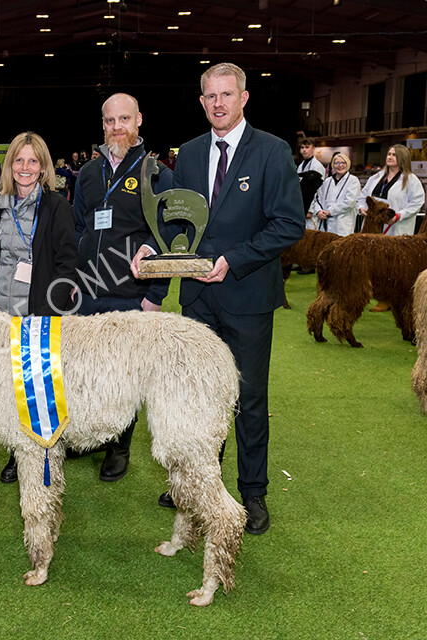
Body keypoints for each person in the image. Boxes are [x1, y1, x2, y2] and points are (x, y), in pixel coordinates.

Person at [131, 63, 304, 535]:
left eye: (227, 95)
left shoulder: (272, 151)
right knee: (197, 397)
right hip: (198, 302)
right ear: (201, 100)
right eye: (210, 96)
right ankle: (196, 486)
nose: (219, 103)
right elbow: (179, 222)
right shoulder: (186, 154)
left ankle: (253, 492)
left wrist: (235, 258)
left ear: (244, 98)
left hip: (247, 296)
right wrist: (154, 247)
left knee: (248, 398)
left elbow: (289, 224)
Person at [73, 92, 173, 482]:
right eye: (110, 120)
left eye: (124, 119)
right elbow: (81, 227)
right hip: (87, 290)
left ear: (139, 121)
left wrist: (155, 294)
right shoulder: (86, 173)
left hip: (131, 292)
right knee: (90, 370)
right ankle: (96, 436)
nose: (117, 127)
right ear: (102, 124)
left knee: (125, 377)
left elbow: (168, 236)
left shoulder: (157, 173)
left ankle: (119, 446)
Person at [0, 131, 78, 483]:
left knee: (37, 388)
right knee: (9, 388)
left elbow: (68, 260)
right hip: (1, 309)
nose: (25, 167)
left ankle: (42, 452)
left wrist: (50, 309)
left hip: (38, 311)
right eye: (19, 160)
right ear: (10, 164)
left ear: (42, 168)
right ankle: (17, 453)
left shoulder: (56, 206)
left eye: (33, 161)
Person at [358, 143, 426, 312]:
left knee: (393, 265)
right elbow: (363, 195)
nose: (389, 157)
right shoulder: (376, 177)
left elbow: (417, 203)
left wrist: (398, 216)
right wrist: (362, 207)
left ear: (402, 158)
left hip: (397, 227)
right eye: (388, 154)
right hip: (374, 228)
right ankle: (378, 295)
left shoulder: (411, 180)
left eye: (394, 155)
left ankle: (392, 299)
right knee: (375, 263)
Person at [308, 153, 360, 236]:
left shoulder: (353, 180)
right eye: (337, 163)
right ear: (333, 165)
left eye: (343, 163)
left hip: (342, 225)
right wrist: (318, 211)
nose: (340, 165)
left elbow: (350, 202)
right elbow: (317, 198)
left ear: (348, 164)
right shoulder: (327, 181)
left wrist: (330, 211)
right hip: (325, 223)